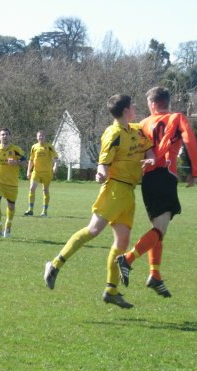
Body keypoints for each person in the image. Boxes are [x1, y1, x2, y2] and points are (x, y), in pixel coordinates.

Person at [44, 94, 154, 308]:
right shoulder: (113, 133)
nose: (135, 109)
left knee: (122, 241)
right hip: (114, 189)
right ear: (125, 111)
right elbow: (103, 162)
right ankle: (54, 264)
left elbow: (148, 148)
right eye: (132, 107)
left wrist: (152, 158)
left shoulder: (136, 130)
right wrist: (101, 173)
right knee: (93, 230)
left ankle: (111, 291)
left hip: (129, 193)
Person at [116, 86, 197, 298]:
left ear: (152, 104)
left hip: (148, 179)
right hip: (165, 175)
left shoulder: (142, 124)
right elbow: (189, 141)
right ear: (165, 102)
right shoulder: (177, 118)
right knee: (160, 230)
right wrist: (194, 170)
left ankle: (155, 274)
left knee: (158, 228)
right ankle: (128, 259)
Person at [0, 128, 26, 239]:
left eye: (6, 134)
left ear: (10, 136)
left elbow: (25, 162)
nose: (4, 136)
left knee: (11, 207)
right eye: (2, 134)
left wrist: (16, 162)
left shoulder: (16, 149)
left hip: (12, 183)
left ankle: (8, 227)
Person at [24, 130, 59, 217]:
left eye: (42, 136)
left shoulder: (49, 147)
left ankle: (44, 211)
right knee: (32, 188)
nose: (41, 137)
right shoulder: (34, 147)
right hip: (36, 172)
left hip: (47, 172)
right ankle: (30, 210)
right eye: (39, 136)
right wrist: (28, 171)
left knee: (45, 190)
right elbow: (31, 160)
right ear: (37, 137)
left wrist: (55, 166)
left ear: (45, 137)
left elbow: (55, 158)